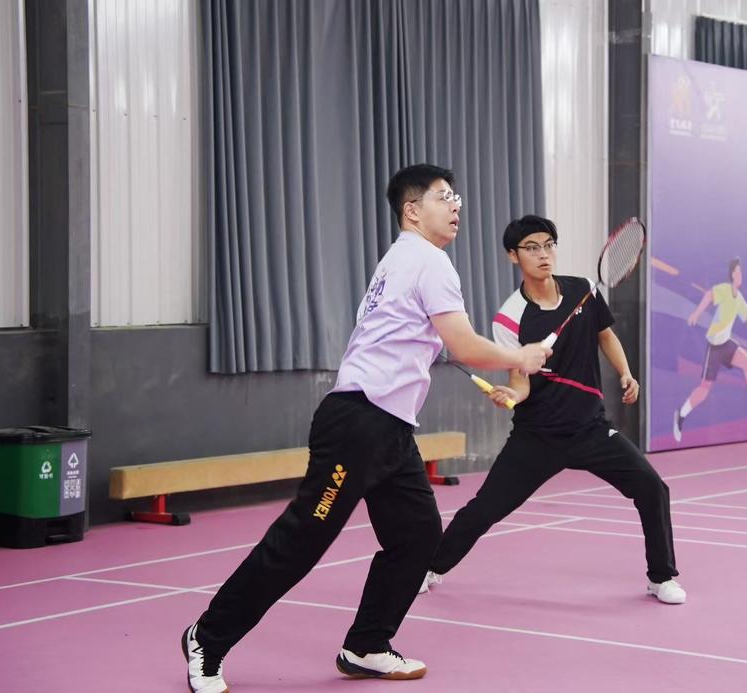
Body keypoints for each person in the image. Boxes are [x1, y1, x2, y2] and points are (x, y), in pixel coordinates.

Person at [181, 165, 550, 691]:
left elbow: (426, 343)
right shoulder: (428, 261)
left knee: (417, 536)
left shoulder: (400, 260)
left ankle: (368, 645)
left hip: (390, 427)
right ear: (412, 210)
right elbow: (464, 344)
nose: (456, 206)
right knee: (304, 538)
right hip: (359, 422)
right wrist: (521, 358)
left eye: (457, 197)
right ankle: (207, 637)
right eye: (444, 197)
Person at [419, 214, 685, 605]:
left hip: (591, 429)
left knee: (653, 488)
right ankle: (429, 567)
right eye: (532, 248)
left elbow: (606, 336)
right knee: (485, 509)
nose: (543, 254)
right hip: (538, 436)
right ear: (513, 256)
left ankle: (661, 577)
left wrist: (625, 372)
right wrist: (510, 397)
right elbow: (521, 381)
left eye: (548, 245)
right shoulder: (510, 317)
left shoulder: (583, 290)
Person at [672, 258, 747, 443]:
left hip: (726, 344)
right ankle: (681, 414)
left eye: (741, 271)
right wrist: (696, 314)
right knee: (704, 389)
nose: (741, 275)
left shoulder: (739, 298)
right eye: (739, 271)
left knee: (745, 361)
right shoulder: (725, 290)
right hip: (715, 347)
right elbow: (709, 295)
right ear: (733, 274)